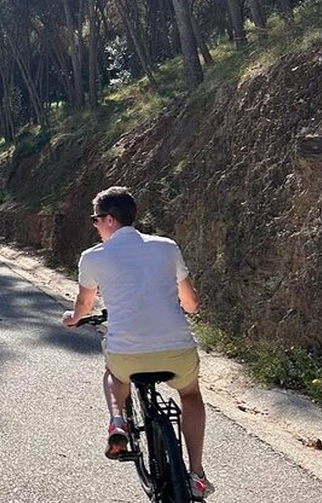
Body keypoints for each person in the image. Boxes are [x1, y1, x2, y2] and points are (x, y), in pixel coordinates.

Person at [61, 186, 213, 501]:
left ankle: (117, 421)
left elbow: (84, 306)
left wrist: (73, 319)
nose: (95, 225)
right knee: (191, 395)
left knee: (113, 374)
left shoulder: (93, 257)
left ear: (110, 220)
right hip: (177, 352)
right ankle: (196, 474)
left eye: (96, 219)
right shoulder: (167, 247)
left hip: (127, 356)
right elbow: (192, 304)